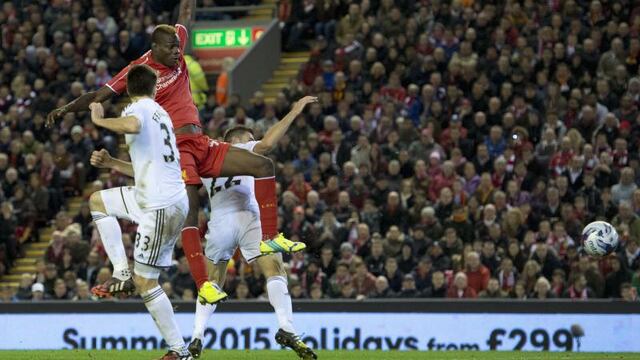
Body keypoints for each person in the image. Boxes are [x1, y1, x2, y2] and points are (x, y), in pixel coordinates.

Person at [46, 0, 304, 305]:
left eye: (177, 47)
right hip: (178, 148)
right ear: (154, 47)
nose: (177, 52)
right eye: (170, 48)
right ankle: (203, 284)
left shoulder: (176, 46)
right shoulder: (138, 72)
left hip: (201, 142)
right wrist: (66, 109)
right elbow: (99, 94)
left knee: (263, 165)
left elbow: (185, 14)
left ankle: (269, 238)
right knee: (191, 211)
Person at [189, 96, 318, 359]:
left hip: (220, 222)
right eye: (251, 137)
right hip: (249, 216)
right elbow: (269, 143)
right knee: (274, 270)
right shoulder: (243, 148)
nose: (254, 141)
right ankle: (286, 326)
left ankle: (196, 337)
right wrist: (294, 110)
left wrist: (116, 165)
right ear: (240, 139)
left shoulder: (206, 160)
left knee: (212, 282)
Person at [86, 64, 193, 359]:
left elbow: (131, 126)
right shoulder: (162, 115)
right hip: (155, 195)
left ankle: (180, 352)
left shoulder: (141, 109)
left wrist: (100, 119)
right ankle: (121, 272)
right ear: (154, 87)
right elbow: (149, 168)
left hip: (160, 204)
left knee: (146, 283)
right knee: (98, 202)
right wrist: (112, 165)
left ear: (128, 89)